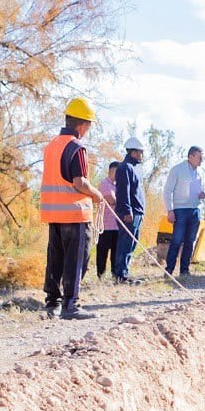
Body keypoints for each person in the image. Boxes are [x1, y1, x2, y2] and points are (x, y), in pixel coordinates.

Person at [40, 97, 110, 320]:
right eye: (89, 125)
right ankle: (71, 305)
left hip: (54, 213)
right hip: (75, 213)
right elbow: (79, 182)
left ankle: (53, 304)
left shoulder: (52, 145)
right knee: (76, 260)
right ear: (82, 124)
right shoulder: (76, 148)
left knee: (56, 258)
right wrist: (98, 195)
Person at [164, 145, 205, 276]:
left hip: (195, 210)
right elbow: (167, 191)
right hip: (180, 210)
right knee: (177, 240)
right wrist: (170, 210)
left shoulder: (201, 172)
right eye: (200, 157)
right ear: (191, 156)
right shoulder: (177, 170)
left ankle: (184, 270)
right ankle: (169, 269)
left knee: (190, 241)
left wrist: (203, 194)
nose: (202, 160)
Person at [113, 137, 147, 281]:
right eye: (139, 152)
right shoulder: (124, 168)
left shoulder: (135, 168)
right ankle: (120, 275)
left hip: (138, 212)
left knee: (131, 243)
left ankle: (124, 272)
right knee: (125, 243)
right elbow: (123, 191)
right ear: (132, 152)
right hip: (129, 213)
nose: (141, 155)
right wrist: (127, 211)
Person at [95, 161, 121, 279]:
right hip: (106, 225)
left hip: (117, 225)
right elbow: (112, 200)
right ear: (112, 171)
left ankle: (115, 275)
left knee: (115, 253)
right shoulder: (104, 184)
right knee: (102, 252)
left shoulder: (118, 185)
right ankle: (101, 276)